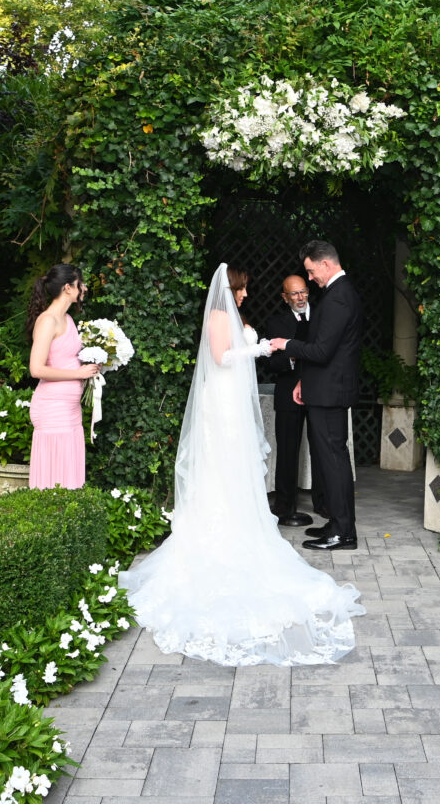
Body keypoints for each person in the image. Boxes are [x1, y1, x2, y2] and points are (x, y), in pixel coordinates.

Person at [118, 263, 364, 665]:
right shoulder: (218, 315)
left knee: (239, 464)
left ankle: (239, 520)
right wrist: (261, 347)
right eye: (244, 288)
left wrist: (262, 345)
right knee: (222, 463)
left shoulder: (234, 314)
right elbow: (221, 356)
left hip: (231, 399)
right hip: (221, 401)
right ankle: (219, 528)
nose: (247, 294)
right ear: (231, 287)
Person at [269, 240, 363, 552]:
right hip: (323, 389)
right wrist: (302, 382)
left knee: (333, 462)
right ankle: (337, 524)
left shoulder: (339, 297)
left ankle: (343, 532)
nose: (310, 279)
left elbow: (322, 351)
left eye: (310, 272)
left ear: (325, 264)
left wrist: (286, 344)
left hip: (330, 393)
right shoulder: (337, 293)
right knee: (329, 461)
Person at [27, 264, 100, 490]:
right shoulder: (47, 320)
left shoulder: (67, 319)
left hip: (70, 410)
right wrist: (77, 373)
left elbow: (66, 358)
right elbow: (36, 369)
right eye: (80, 284)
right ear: (68, 288)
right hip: (52, 409)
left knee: (70, 476)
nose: (84, 288)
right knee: (54, 480)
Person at [263, 275, 325, 526]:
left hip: (320, 391)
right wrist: (291, 357)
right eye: (294, 294)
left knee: (322, 450)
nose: (300, 298)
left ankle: (325, 503)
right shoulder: (275, 323)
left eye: (303, 292)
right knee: (287, 451)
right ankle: (285, 505)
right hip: (288, 393)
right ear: (284, 297)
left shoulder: (323, 316)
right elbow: (269, 364)